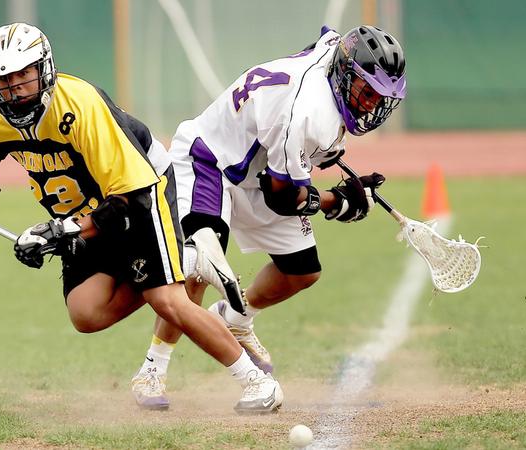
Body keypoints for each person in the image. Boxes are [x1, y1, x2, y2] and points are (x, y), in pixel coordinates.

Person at [0, 23, 283, 414]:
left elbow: (129, 196)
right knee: (86, 312)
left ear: (44, 69)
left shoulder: (80, 108)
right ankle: (186, 260)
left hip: (142, 189)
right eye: (4, 80)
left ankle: (257, 382)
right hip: (83, 208)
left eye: (24, 74)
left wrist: (63, 230)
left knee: (166, 299)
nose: (16, 88)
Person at [129, 25, 405, 407]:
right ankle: (152, 370)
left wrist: (331, 175)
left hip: (258, 169)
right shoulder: (308, 113)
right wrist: (338, 203)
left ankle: (236, 318)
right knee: (198, 270)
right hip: (211, 160)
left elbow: (324, 39)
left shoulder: (333, 56)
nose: (371, 105)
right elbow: (285, 197)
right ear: (345, 74)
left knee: (302, 271)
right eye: (367, 92)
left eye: (379, 97)